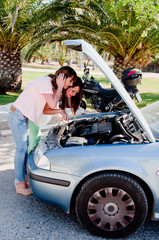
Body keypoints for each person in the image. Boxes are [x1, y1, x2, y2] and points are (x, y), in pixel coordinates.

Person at [7, 66, 77, 196]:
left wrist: (60, 111)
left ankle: (24, 177)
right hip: (17, 116)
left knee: (25, 148)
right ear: (62, 77)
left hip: (23, 118)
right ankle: (19, 183)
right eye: (70, 81)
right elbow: (51, 104)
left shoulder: (49, 86)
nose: (71, 84)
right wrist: (61, 87)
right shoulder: (45, 82)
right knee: (21, 149)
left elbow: (47, 109)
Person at [28, 76, 83, 153]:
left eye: (75, 93)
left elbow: (55, 103)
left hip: (38, 117)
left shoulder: (59, 91)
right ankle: (29, 162)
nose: (73, 94)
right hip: (35, 115)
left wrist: (58, 114)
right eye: (73, 91)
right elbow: (45, 110)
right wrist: (60, 111)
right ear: (68, 85)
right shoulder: (55, 90)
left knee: (34, 140)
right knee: (35, 141)